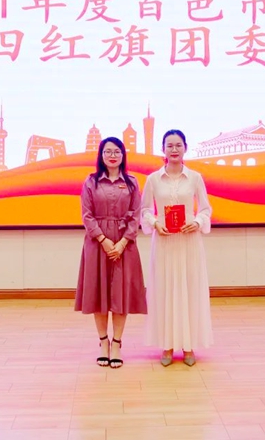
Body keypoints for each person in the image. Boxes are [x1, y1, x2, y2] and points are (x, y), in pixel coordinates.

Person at [141, 129, 213, 367]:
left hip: (188, 242)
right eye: (169, 145)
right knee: (165, 290)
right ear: (163, 149)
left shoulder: (195, 178)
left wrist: (197, 222)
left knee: (189, 290)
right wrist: (155, 223)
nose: (174, 149)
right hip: (164, 242)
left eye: (178, 145)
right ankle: (168, 345)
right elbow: (145, 210)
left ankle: (189, 345)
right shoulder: (153, 179)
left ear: (185, 148)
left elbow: (205, 209)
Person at [75, 137, 147, 369]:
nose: (112, 155)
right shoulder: (91, 182)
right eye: (108, 151)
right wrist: (104, 240)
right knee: (99, 295)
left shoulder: (132, 183)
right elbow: (87, 215)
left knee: (120, 295)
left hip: (125, 245)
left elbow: (136, 216)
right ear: (101, 155)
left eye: (117, 151)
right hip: (97, 244)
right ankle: (103, 342)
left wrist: (123, 243)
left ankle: (117, 343)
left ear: (123, 155)